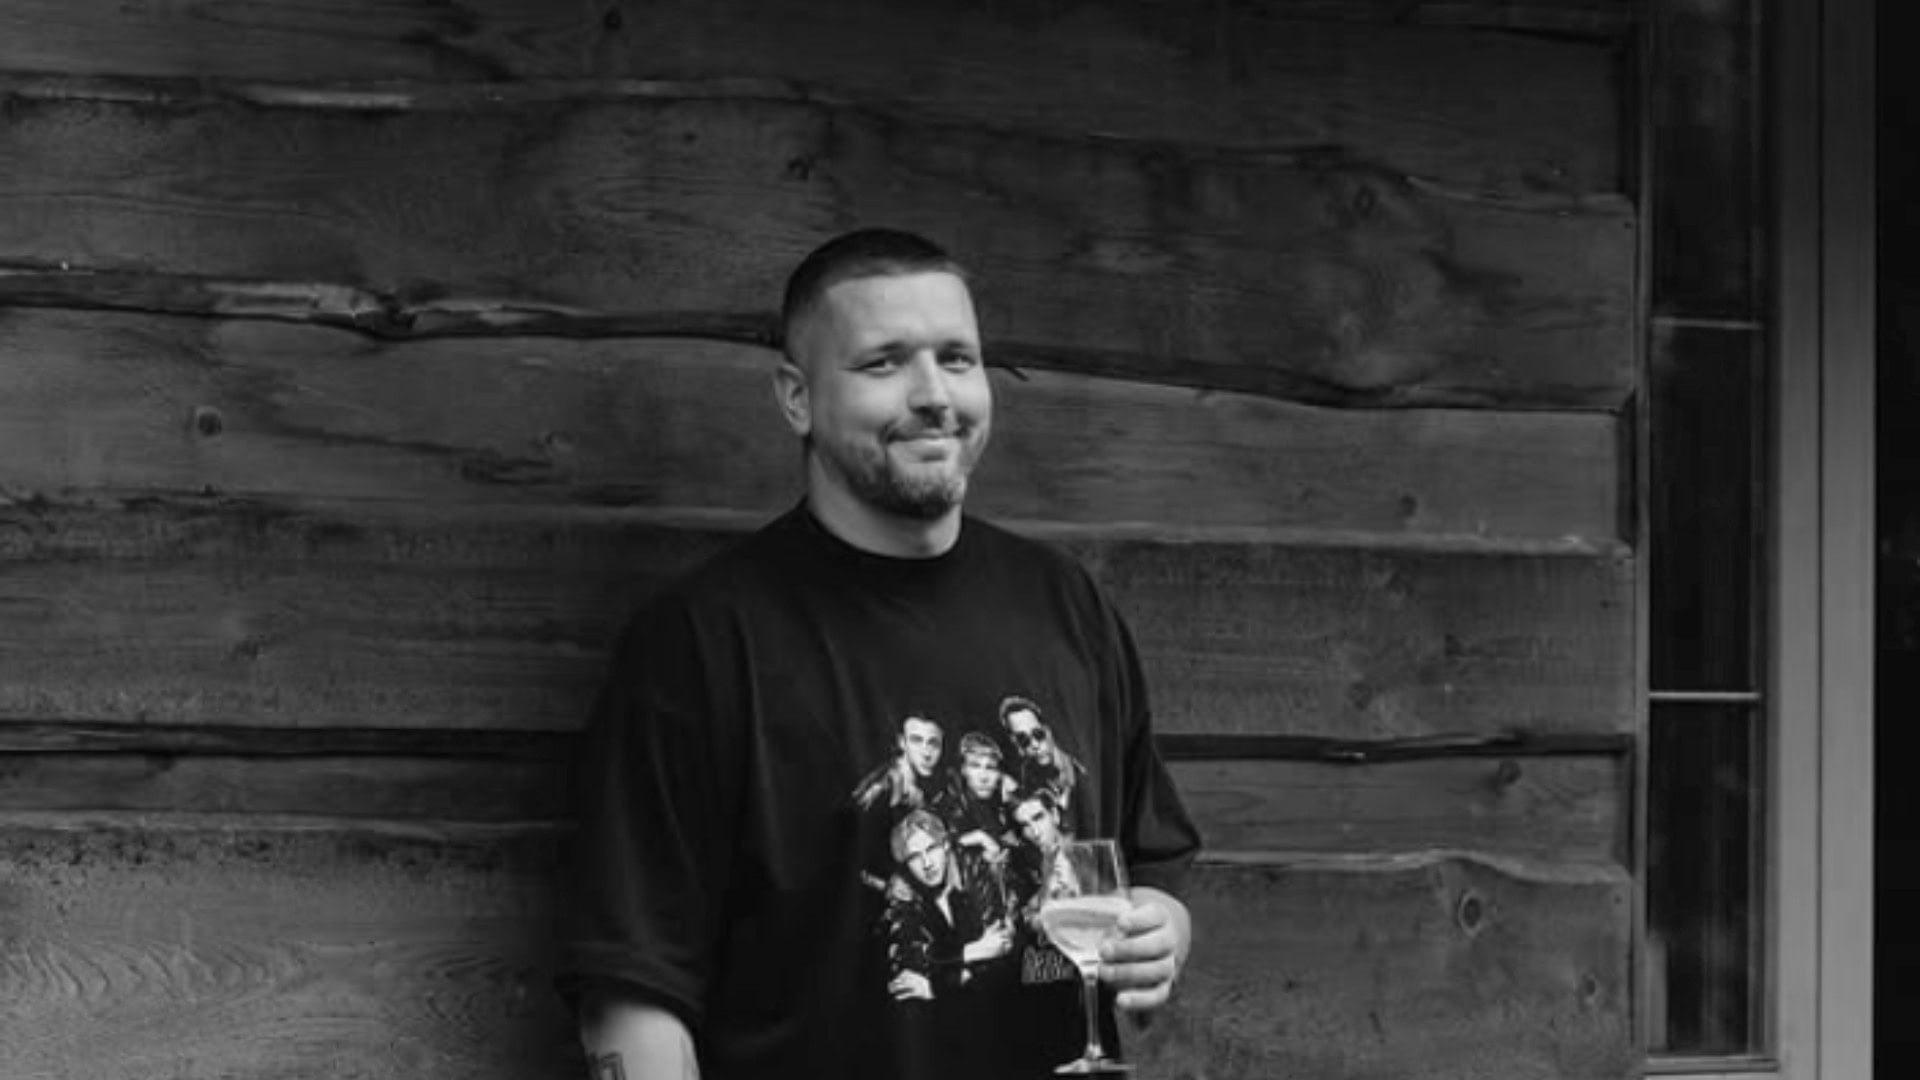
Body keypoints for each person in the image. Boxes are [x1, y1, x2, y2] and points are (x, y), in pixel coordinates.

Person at [557, 227, 1200, 1080]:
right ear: (797, 397)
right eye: (884, 363)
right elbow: (632, 988)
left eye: (957, 358)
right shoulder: (703, 642)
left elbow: (1148, 866)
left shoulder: (1068, 605)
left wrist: (1160, 932)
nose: (934, 395)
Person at [998, 695, 1088, 815]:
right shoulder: (1028, 775)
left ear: (1048, 731)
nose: (1034, 745)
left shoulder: (1079, 771)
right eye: (1023, 740)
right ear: (1016, 744)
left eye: (1038, 734)